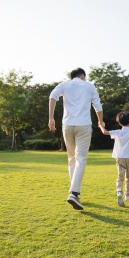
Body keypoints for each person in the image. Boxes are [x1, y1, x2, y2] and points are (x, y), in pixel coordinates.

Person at [49, 68, 105, 210]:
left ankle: (74, 193)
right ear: (83, 76)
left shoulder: (65, 84)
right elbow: (98, 106)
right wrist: (100, 121)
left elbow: (52, 96)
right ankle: (74, 193)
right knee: (81, 159)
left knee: (71, 159)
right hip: (84, 125)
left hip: (67, 125)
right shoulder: (89, 86)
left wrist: (51, 118)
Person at [99, 112, 129, 207]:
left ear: (119, 123)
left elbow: (105, 132)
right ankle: (127, 195)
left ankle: (119, 193)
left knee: (120, 176)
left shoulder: (117, 132)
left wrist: (100, 126)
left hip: (119, 157)